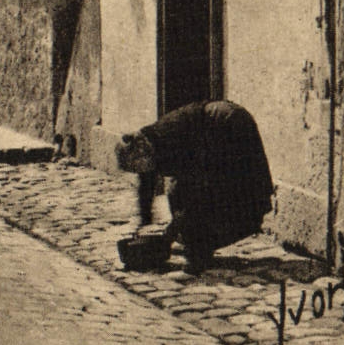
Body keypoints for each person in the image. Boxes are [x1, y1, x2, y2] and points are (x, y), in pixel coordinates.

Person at [115, 99, 274, 273]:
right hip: (220, 122)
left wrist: (170, 234)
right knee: (185, 199)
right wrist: (143, 226)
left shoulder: (166, 142)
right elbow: (146, 187)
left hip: (226, 125)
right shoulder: (147, 145)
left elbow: (195, 189)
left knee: (225, 192)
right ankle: (198, 245)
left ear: (140, 154)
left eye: (136, 168)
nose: (138, 172)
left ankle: (200, 252)